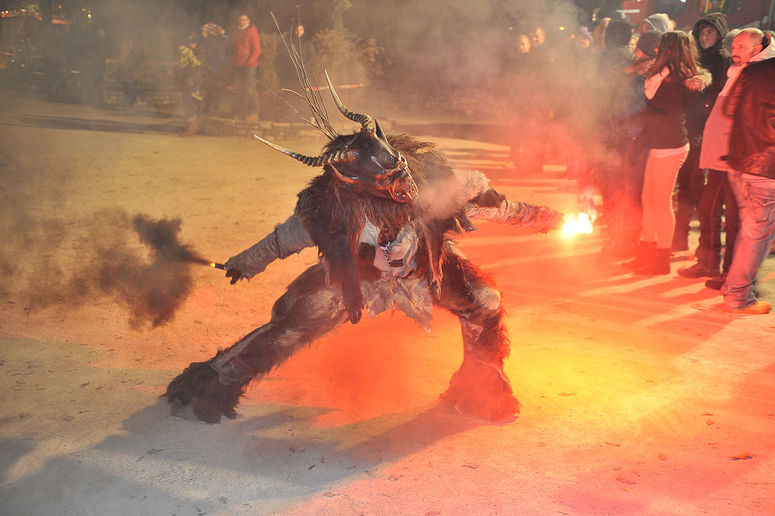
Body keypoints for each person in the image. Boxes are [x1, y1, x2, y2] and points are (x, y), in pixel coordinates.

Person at [686, 28, 775, 289]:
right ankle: (708, 262)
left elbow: (739, 116)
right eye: (733, 47)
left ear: (757, 49)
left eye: (741, 47)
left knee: (737, 221)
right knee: (709, 209)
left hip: (737, 159)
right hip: (722, 156)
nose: (734, 52)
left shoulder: (758, 74)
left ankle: (731, 276)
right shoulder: (740, 71)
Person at [625, 31, 710, 275]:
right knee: (649, 200)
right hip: (660, 143)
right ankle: (647, 253)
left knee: (660, 203)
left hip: (670, 145)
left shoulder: (678, 78)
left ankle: (660, 259)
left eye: (663, 47)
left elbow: (662, 113)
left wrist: (637, 123)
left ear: (670, 50)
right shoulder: (668, 74)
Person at [719, 49, 775, 314]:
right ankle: (737, 297)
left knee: (749, 232)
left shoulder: (754, 69)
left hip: (740, 160)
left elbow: (728, 109)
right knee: (756, 235)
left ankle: (735, 290)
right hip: (765, 167)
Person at [672, 12, 731, 253]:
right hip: (687, 130)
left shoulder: (724, 61)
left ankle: (706, 248)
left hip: (707, 134)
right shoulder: (693, 58)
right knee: (684, 186)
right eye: (702, 32)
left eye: (710, 32)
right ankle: (679, 237)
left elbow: (720, 100)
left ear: (719, 34)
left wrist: (706, 130)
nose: (705, 37)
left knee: (700, 191)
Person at [231, 13, 261, 120]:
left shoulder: (252, 32)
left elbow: (257, 50)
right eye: (240, 19)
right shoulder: (236, 32)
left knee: (250, 89)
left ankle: (254, 113)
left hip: (249, 66)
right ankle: (242, 112)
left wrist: (249, 62)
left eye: (244, 19)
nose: (242, 21)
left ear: (248, 21)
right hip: (238, 65)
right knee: (240, 89)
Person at [176, 34, 202, 135]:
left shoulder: (188, 53)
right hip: (191, 82)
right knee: (189, 103)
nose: (194, 45)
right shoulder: (188, 53)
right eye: (192, 43)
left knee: (188, 103)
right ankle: (193, 127)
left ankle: (192, 128)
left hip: (190, 82)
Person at [200, 22, 228, 116]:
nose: (202, 33)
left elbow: (220, 56)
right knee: (208, 88)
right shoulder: (209, 42)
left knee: (213, 88)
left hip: (215, 69)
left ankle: (213, 107)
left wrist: (213, 66)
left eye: (204, 32)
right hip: (210, 68)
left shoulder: (216, 42)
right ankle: (209, 106)